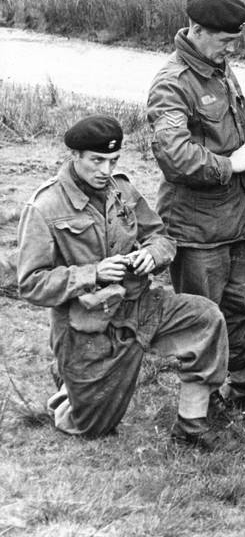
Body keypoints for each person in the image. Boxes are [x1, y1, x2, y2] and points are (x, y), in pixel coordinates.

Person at [16, 116, 229, 448]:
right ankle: (69, 388)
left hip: (140, 305)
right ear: (75, 155)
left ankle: (192, 424)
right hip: (88, 325)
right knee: (90, 427)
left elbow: (161, 237)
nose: (105, 170)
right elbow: (31, 283)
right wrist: (93, 273)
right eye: (96, 160)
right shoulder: (44, 206)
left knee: (205, 317)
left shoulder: (122, 190)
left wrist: (152, 255)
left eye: (113, 161)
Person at [147, 0, 245, 411]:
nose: (231, 49)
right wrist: (230, 164)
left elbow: (230, 127)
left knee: (242, 307)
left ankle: (244, 385)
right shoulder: (173, 83)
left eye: (235, 40)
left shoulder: (218, 69)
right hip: (197, 229)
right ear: (197, 31)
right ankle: (202, 400)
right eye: (225, 40)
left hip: (233, 220)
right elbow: (174, 156)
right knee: (203, 316)